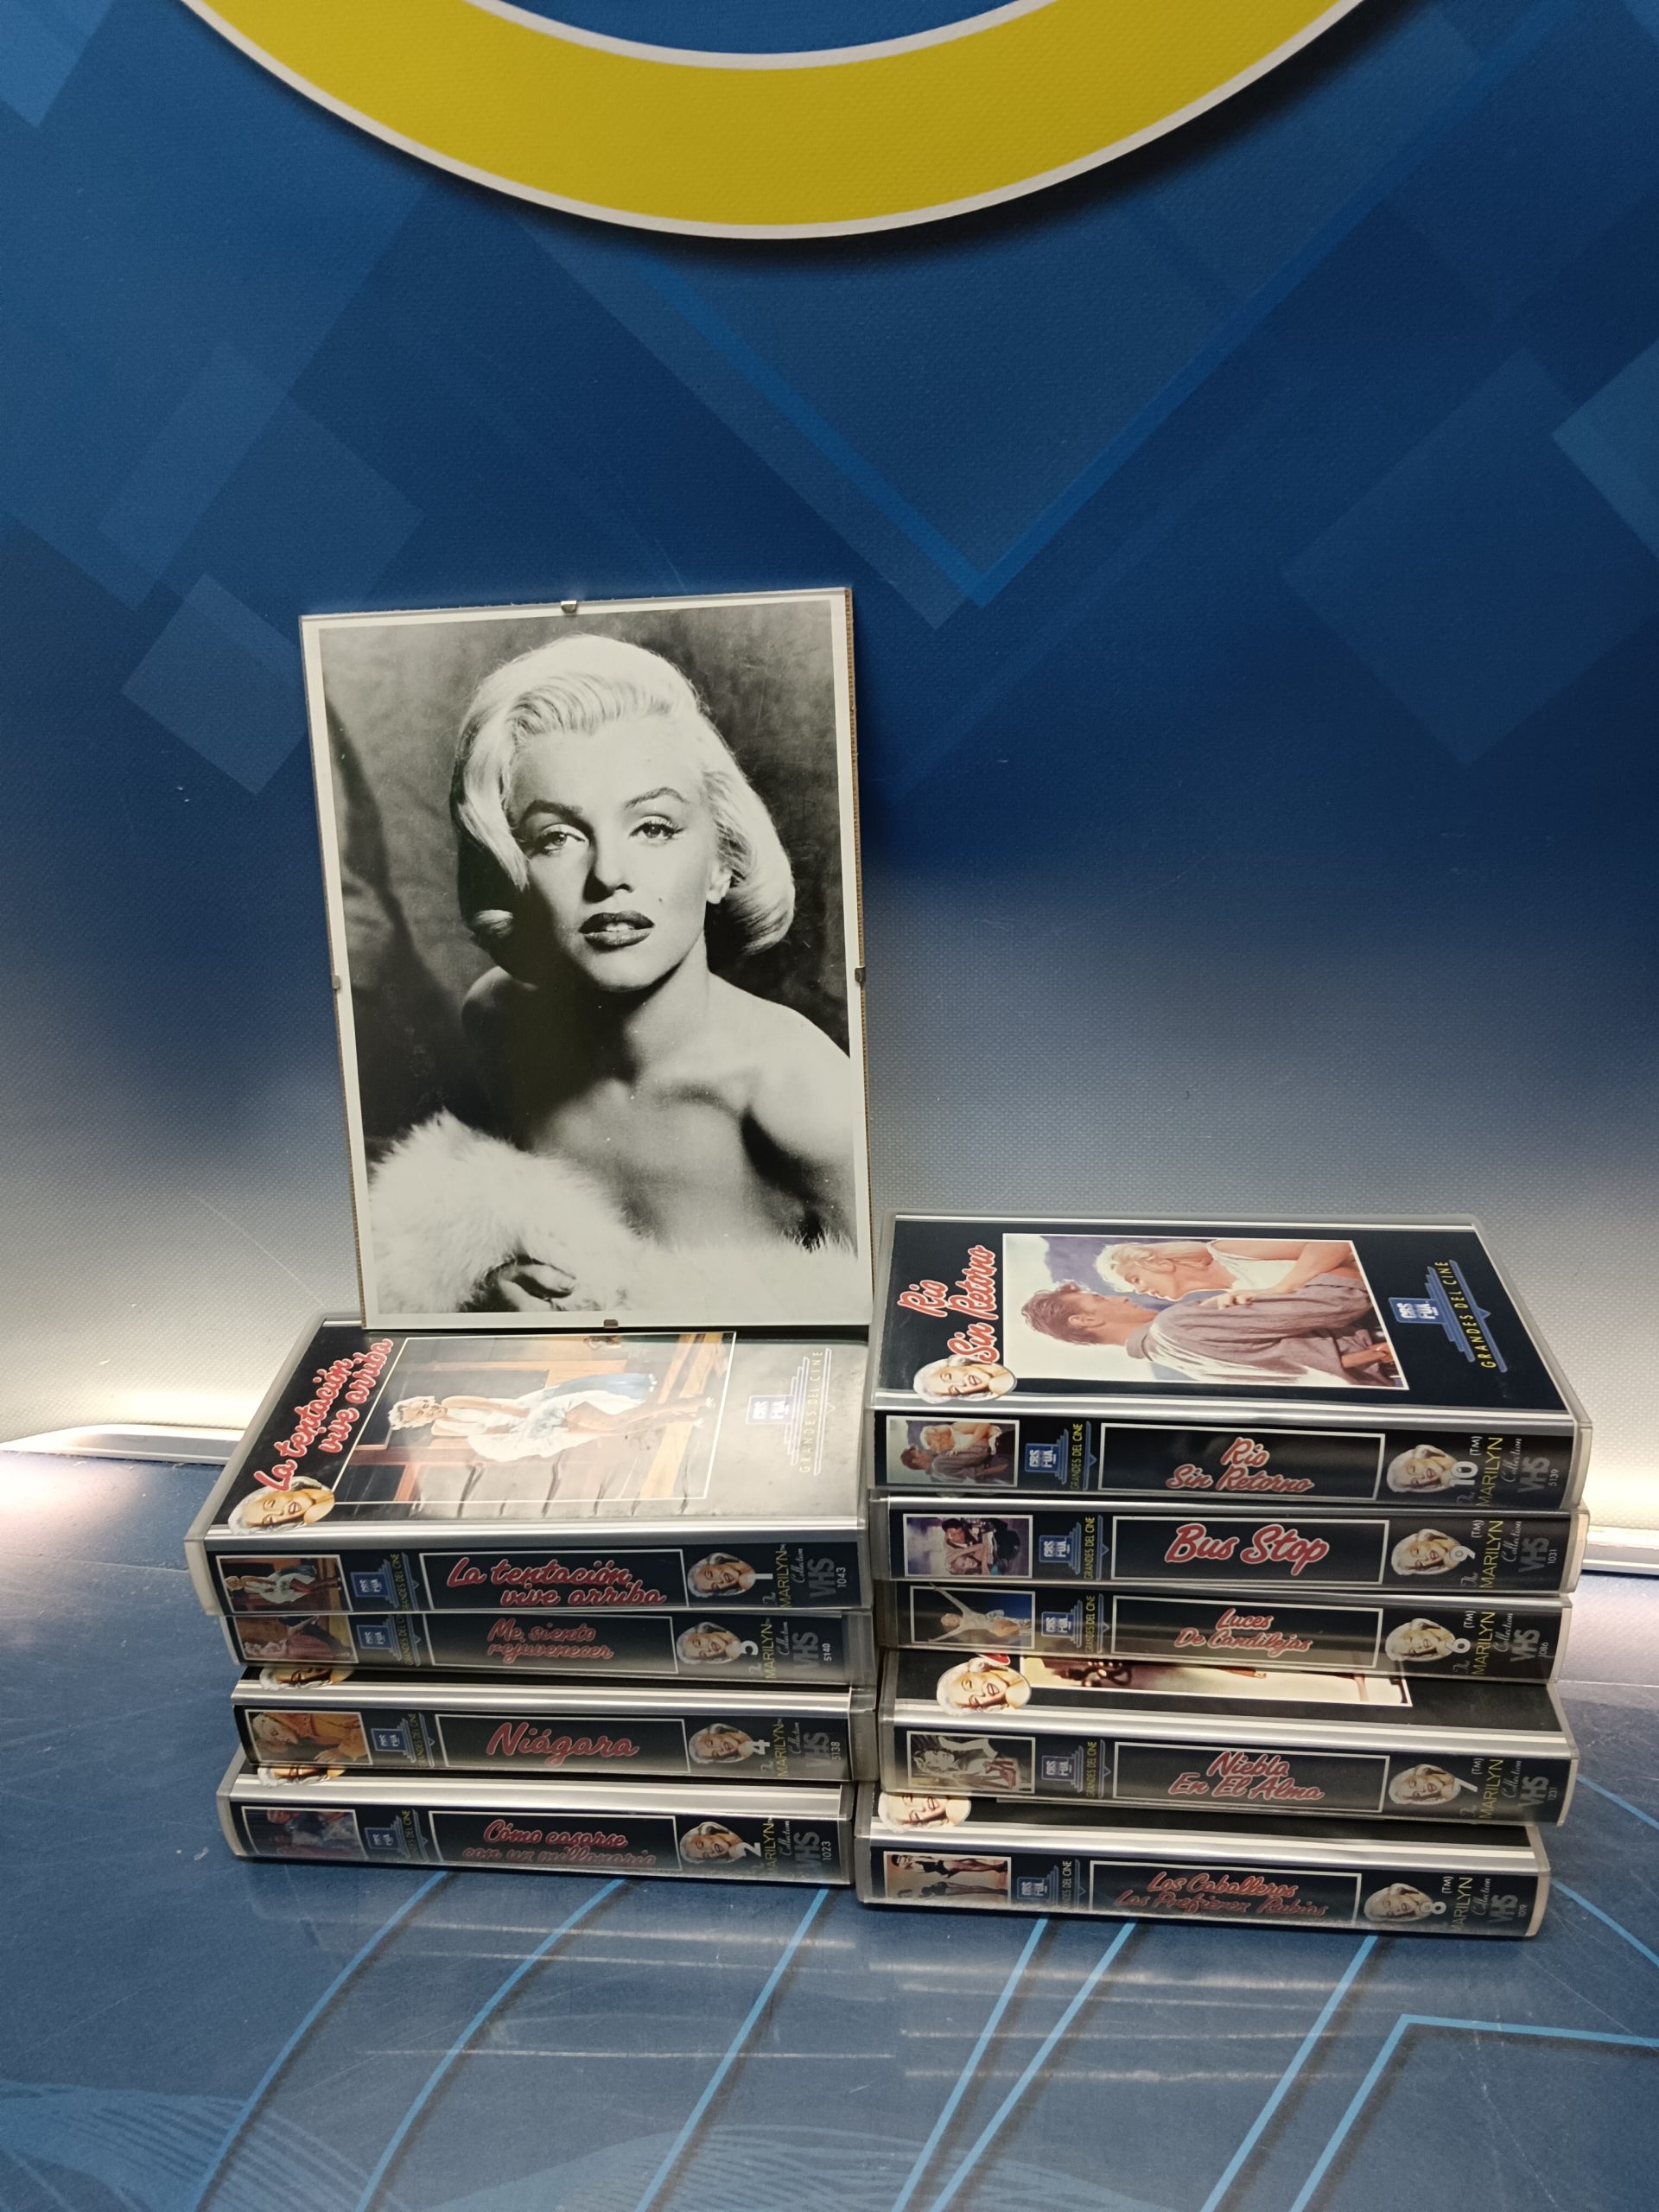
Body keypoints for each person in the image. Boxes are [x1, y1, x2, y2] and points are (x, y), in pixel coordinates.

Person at [365, 635, 861, 1319]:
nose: (608, 875)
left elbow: (906, 1322)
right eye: (557, 837)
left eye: (653, 827)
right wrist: (491, 1288)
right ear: (512, 873)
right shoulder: (498, 1025)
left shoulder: (803, 1099)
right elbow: (469, 1221)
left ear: (721, 864)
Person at [1021, 1276, 1400, 1388]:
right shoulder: (1174, 1324)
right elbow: (1343, 1301)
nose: (1120, 1297)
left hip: (1381, 1370)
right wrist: (1272, 1288)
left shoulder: (1178, 1364)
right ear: (1085, 1322)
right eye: (1100, 1298)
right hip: (1385, 1339)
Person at [384, 1370, 705, 1462]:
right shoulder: (442, 1428)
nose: (427, 1410)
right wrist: (526, 1436)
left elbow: (497, 1407)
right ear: (419, 1422)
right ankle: (681, 1417)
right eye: (420, 1415)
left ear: (425, 1400)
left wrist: (531, 1415)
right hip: (520, 1434)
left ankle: (686, 1405)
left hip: (525, 1412)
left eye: (422, 1405)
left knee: (615, 1421)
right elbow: (485, 1434)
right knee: (610, 1431)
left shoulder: (453, 1401)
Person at [1100, 1237, 1364, 1306]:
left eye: (1135, 1279)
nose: (1140, 1290)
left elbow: (1333, 1241)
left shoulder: (1227, 1251)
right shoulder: (1236, 1298)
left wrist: (1280, 1289)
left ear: (1160, 1264)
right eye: (1133, 1288)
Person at [912, 1357, 1016, 1400]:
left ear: (952, 1365)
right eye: (955, 1390)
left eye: (949, 1377)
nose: (961, 1384)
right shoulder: (997, 1385)